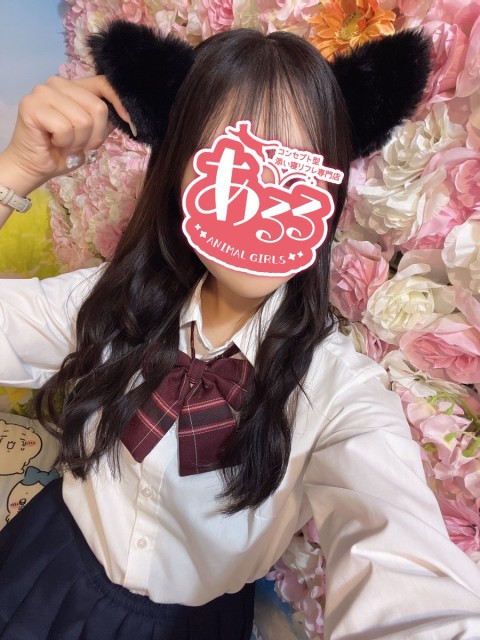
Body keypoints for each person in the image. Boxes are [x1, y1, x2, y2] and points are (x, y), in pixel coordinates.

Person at [0, 22, 479, 640]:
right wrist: (15, 172)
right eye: (233, 164)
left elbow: (407, 573)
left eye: (296, 171)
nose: (263, 197)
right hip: (46, 564)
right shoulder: (103, 304)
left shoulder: (339, 394)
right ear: (180, 170)